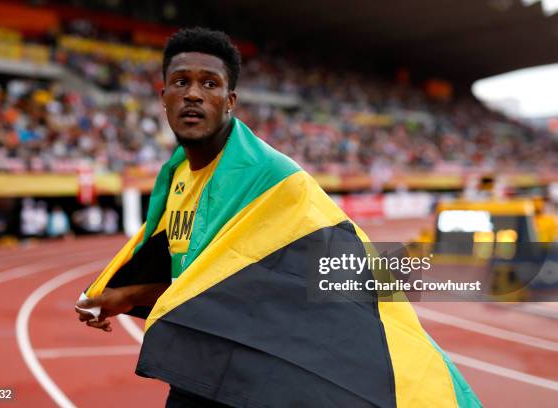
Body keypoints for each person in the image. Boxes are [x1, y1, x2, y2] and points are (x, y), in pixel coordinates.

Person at [75, 28, 480, 407]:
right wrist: (126, 295)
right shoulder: (177, 176)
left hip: (253, 372)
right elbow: (205, 279)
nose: (193, 94)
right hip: (198, 367)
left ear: (230, 101)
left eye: (210, 84)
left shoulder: (273, 178)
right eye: (181, 82)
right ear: (163, 96)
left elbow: (322, 271)